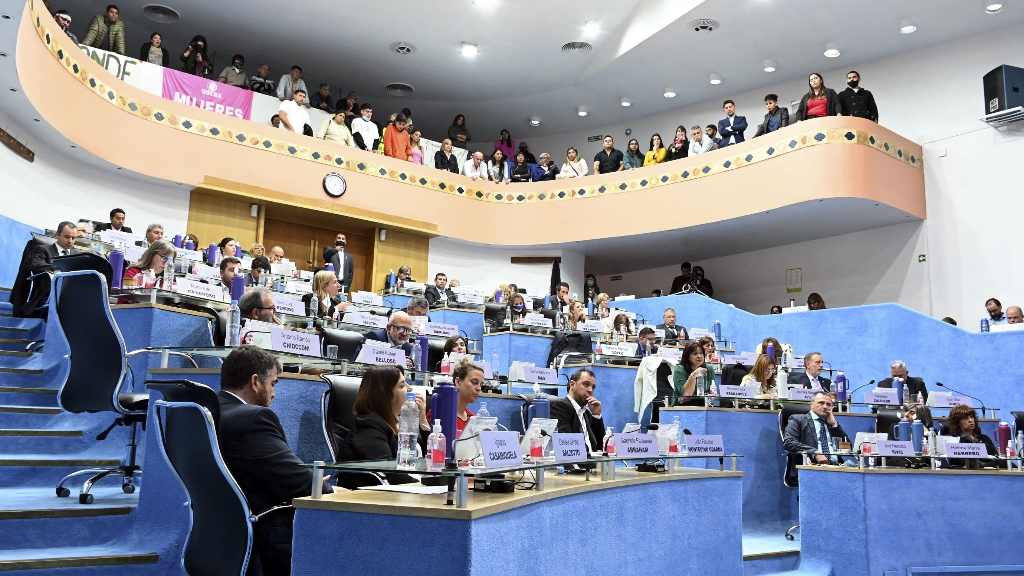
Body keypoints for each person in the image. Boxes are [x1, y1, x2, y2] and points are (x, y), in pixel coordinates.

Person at [217, 345, 332, 576]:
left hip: (216, 535)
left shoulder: (207, 410)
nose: (274, 393)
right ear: (255, 382)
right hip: (266, 536)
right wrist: (329, 489)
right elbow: (297, 482)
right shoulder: (253, 418)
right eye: (273, 383)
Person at [336, 365, 427, 488]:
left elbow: (429, 456)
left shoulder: (397, 423)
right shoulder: (369, 427)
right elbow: (391, 474)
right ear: (385, 395)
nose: (409, 388)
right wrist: (427, 486)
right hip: (368, 500)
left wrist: (422, 420)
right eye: (402, 385)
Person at [782, 391, 849, 484]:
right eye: (821, 403)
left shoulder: (830, 423)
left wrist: (834, 425)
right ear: (811, 404)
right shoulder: (798, 419)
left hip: (837, 468)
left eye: (828, 404)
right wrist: (815, 452)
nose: (825, 406)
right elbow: (789, 442)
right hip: (812, 467)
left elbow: (847, 446)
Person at [550, 368, 603, 454]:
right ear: (572, 385)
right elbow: (567, 447)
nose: (590, 390)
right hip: (575, 465)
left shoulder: (586, 414)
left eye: (593, 387)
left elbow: (600, 447)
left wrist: (596, 415)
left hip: (591, 465)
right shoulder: (560, 408)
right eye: (586, 384)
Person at [426, 359, 483, 435]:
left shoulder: (473, 419)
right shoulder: (439, 413)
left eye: (481, 384)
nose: (479, 388)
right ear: (458, 382)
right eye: (474, 382)